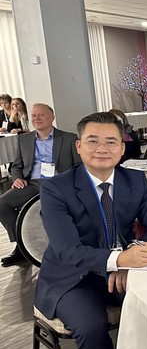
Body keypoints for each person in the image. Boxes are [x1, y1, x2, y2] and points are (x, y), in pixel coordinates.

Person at [34, 112, 147, 349]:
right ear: (79, 146)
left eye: (111, 141)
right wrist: (118, 260)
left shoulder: (134, 180)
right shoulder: (56, 188)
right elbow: (68, 250)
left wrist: (131, 255)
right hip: (72, 277)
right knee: (91, 327)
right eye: (93, 141)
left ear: (122, 148)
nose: (102, 148)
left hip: (121, 271)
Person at [0, 103, 81, 266]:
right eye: (34, 115)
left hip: (59, 183)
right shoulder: (24, 139)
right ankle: (22, 246)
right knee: (2, 203)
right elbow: (16, 166)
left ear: (52, 118)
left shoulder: (69, 138)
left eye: (41, 115)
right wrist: (16, 177)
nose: (36, 118)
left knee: (52, 210)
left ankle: (60, 247)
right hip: (33, 183)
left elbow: (79, 166)